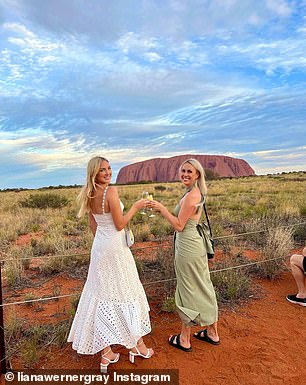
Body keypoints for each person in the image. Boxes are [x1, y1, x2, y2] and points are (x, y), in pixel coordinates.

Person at [67, 156, 154, 372]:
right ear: (94, 173)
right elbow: (120, 223)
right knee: (126, 291)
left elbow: (92, 224)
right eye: (102, 170)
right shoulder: (110, 191)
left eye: (109, 168)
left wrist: (103, 243)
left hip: (100, 248)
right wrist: (135, 207)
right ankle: (137, 346)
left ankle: (107, 353)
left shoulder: (90, 192)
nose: (107, 172)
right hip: (115, 250)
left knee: (101, 295)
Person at [148, 158, 220, 352]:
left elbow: (179, 225)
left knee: (188, 288)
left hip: (188, 245)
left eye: (190, 171)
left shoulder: (192, 195)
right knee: (203, 285)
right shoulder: (195, 192)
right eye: (183, 171)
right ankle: (212, 332)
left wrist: (161, 209)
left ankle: (185, 338)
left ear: (197, 174)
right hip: (193, 244)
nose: (186, 174)